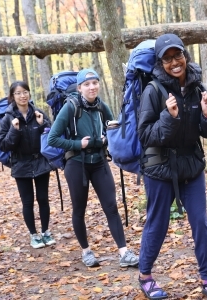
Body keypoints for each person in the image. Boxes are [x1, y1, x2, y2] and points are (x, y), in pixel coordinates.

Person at [137, 34, 207, 300]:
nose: (174, 62)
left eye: (177, 56)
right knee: (158, 223)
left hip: (191, 166)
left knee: (200, 222)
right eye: (167, 59)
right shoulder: (153, 91)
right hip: (159, 168)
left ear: (185, 56)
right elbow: (145, 136)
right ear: (160, 63)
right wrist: (169, 116)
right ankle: (145, 276)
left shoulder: (197, 87)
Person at [48, 69, 139, 268]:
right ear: (79, 88)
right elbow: (52, 138)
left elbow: (113, 129)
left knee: (111, 207)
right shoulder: (70, 108)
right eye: (87, 84)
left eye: (95, 82)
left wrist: (109, 138)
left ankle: (124, 252)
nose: (92, 87)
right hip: (76, 164)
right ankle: (86, 251)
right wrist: (77, 144)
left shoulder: (101, 106)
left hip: (99, 162)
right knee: (79, 210)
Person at [0, 81, 56, 249]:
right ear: (12, 96)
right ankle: (34, 235)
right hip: (21, 164)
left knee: (43, 199)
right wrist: (13, 130)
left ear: (29, 94)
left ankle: (45, 232)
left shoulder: (39, 113)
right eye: (18, 93)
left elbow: (51, 136)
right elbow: (3, 145)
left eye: (25, 92)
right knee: (28, 202)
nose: (23, 96)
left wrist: (42, 124)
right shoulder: (7, 118)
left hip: (40, 162)